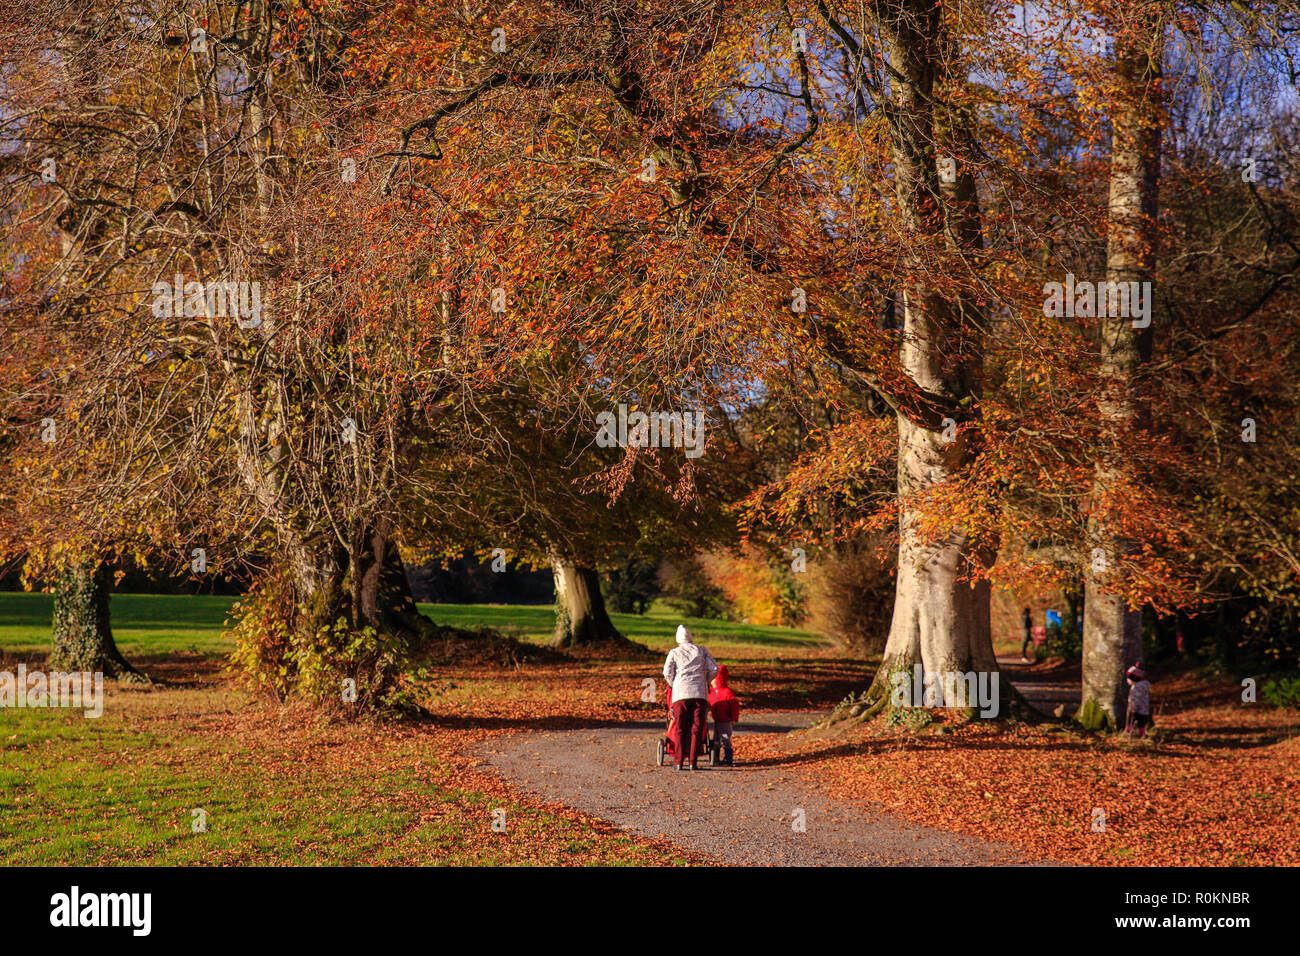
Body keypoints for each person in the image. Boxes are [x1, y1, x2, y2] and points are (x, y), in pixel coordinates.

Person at [663, 624, 718, 771]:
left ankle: (678, 762)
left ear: (678, 639)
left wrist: (674, 684)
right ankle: (693, 762)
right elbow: (714, 668)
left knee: (680, 727)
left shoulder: (674, 652)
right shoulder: (702, 651)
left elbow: (667, 672)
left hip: (680, 695)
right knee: (697, 728)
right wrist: (704, 681)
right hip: (699, 694)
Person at [708, 665, 741, 766]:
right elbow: (709, 703)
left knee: (726, 739)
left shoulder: (727, 692)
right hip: (717, 720)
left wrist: (734, 718)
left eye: (713, 679)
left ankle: (728, 759)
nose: (711, 681)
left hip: (726, 720)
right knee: (716, 740)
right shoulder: (711, 692)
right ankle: (716, 758)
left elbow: (735, 706)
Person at [1125, 663, 1152, 738]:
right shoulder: (1144, 686)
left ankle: (1129, 734)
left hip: (1136, 709)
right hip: (1144, 709)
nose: (1127, 681)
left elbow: (1136, 699)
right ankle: (1141, 734)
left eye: (1128, 678)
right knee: (1141, 723)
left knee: (1131, 721)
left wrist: (1133, 708)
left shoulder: (1136, 688)